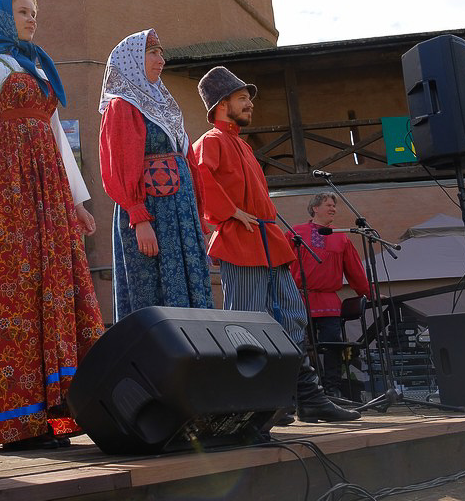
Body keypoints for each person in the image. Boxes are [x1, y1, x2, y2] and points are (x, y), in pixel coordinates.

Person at [0, 0, 105, 450]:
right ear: (2, 16)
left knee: (52, 288)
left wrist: (77, 200)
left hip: (47, 189)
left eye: (35, 12)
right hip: (8, 184)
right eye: (22, 12)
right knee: (12, 291)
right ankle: (12, 421)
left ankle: (52, 418)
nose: (32, 19)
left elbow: (56, 134)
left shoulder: (37, 67)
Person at [191, 67, 359, 424]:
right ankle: (257, 402)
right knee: (249, 322)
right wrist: (229, 211)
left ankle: (302, 398)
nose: (249, 103)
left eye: (247, 97)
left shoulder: (243, 145)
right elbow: (199, 177)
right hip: (241, 240)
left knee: (292, 317)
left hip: (268, 241)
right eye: (241, 98)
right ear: (222, 105)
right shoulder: (211, 141)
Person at [98, 29, 213, 317]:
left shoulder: (165, 106)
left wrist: (197, 217)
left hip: (181, 215)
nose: (161, 59)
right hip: (152, 215)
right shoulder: (122, 106)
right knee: (154, 291)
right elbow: (120, 165)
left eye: (161, 52)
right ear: (132, 60)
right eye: (152, 52)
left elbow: (188, 161)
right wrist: (138, 218)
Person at [290, 192, 373, 398]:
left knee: (333, 345)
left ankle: (332, 389)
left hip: (329, 300)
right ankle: (305, 390)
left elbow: (354, 270)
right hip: (298, 299)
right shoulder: (296, 233)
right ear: (315, 208)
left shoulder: (341, 236)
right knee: (299, 345)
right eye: (328, 204)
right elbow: (278, 263)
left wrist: (369, 293)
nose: (333, 208)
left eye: (334, 206)